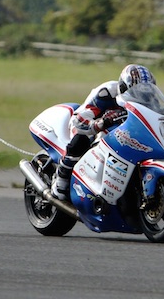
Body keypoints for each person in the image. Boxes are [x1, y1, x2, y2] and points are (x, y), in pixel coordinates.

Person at [51, 64, 156, 201]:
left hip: (124, 131)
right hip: (88, 124)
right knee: (82, 139)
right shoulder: (106, 93)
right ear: (124, 87)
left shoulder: (151, 100)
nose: (141, 96)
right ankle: (62, 178)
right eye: (137, 92)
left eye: (146, 93)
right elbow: (80, 120)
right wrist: (101, 122)